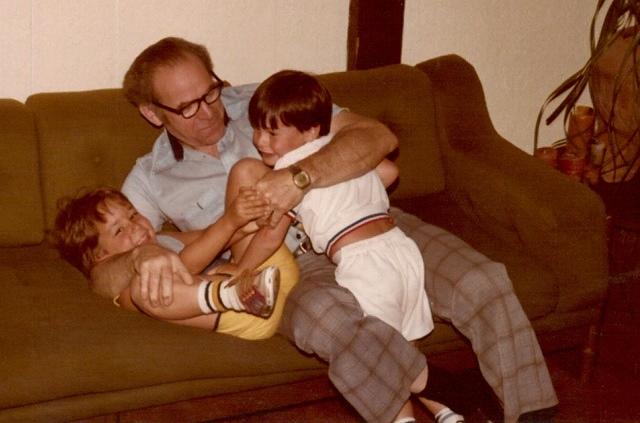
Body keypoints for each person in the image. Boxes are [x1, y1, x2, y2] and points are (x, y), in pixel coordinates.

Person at [90, 37, 558, 423]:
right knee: (333, 325)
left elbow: (376, 138)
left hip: (366, 221)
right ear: (154, 113)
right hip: (290, 264)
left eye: (210, 92)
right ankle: (443, 391)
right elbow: (107, 267)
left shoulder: (267, 99)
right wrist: (144, 256)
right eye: (187, 107)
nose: (209, 112)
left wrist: (298, 180)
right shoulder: (149, 177)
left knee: (484, 283)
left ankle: (534, 416)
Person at [229, 69, 464, 422]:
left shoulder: (287, 174)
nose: (260, 140)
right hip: (401, 252)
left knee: (381, 355)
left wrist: (242, 268)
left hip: (363, 262)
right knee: (402, 346)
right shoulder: (342, 155)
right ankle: (448, 414)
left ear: (309, 131)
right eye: (257, 129)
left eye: (272, 132)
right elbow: (389, 173)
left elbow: (269, 235)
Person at [52, 186, 299, 340]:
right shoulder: (116, 279)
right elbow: (99, 279)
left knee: (244, 172)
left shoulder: (165, 238)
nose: (136, 227)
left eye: (133, 215)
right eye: (119, 231)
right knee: (141, 289)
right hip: (244, 315)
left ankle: (293, 203)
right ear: (99, 255)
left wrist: (250, 225)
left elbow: (212, 236)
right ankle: (231, 294)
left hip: (269, 274)